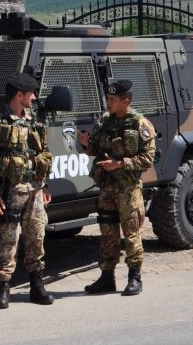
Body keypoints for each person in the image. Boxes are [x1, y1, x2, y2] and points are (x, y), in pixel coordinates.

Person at [0, 72, 54, 309]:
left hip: (34, 190)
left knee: (37, 237)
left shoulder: (34, 120)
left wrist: (44, 185)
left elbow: (41, 152)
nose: (34, 98)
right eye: (31, 93)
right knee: (8, 240)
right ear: (19, 95)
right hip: (10, 190)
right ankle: (3, 289)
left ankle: (37, 286)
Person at [79, 79, 156, 296]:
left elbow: (148, 159)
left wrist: (120, 164)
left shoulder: (141, 124)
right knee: (107, 234)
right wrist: (86, 144)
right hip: (106, 187)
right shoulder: (104, 121)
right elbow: (95, 149)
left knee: (131, 234)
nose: (108, 103)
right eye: (108, 98)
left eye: (112, 99)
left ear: (126, 101)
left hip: (128, 189)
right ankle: (106, 277)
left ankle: (134, 278)